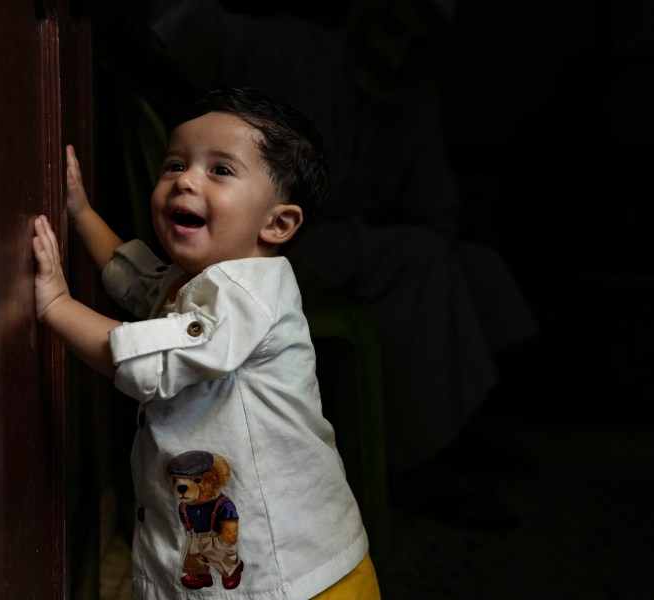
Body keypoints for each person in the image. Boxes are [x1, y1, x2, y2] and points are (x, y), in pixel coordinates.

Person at [119, 0, 538, 528]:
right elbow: (176, 21)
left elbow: (436, 208)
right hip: (273, 246)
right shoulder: (290, 48)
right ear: (361, 14)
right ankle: (422, 463)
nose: (397, 53)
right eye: (391, 27)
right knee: (422, 259)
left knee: (473, 265)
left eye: (417, 44)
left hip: (350, 243)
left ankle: (456, 428)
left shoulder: (412, 99)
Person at [32, 86, 381, 599]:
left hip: (294, 575)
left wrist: (57, 307)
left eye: (220, 170)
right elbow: (135, 278)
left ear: (277, 223)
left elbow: (154, 360)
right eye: (174, 165)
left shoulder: (249, 294)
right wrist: (81, 213)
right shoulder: (193, 280)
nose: (185, 181)